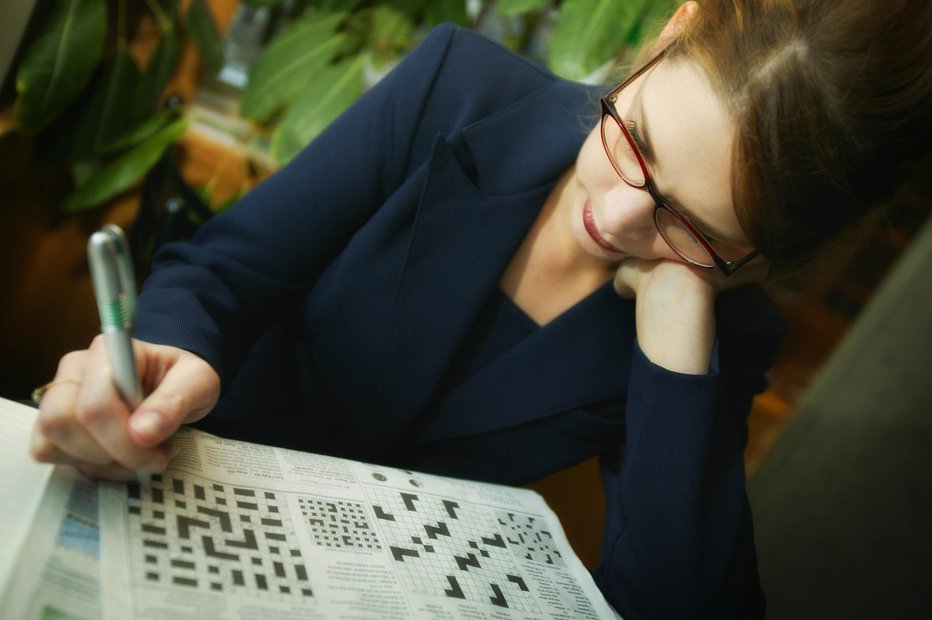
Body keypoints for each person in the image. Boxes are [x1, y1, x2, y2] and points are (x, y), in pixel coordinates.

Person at [29, 0, 932, 617]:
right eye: (639, 139)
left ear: (768, 258)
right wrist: (161, 350)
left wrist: (679, 323)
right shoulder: (454, 88)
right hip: (189, 513)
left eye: (691, 224)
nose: (614, 219)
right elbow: (221, 272)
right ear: (673, 27)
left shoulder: (723, 335)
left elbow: (678, 601)